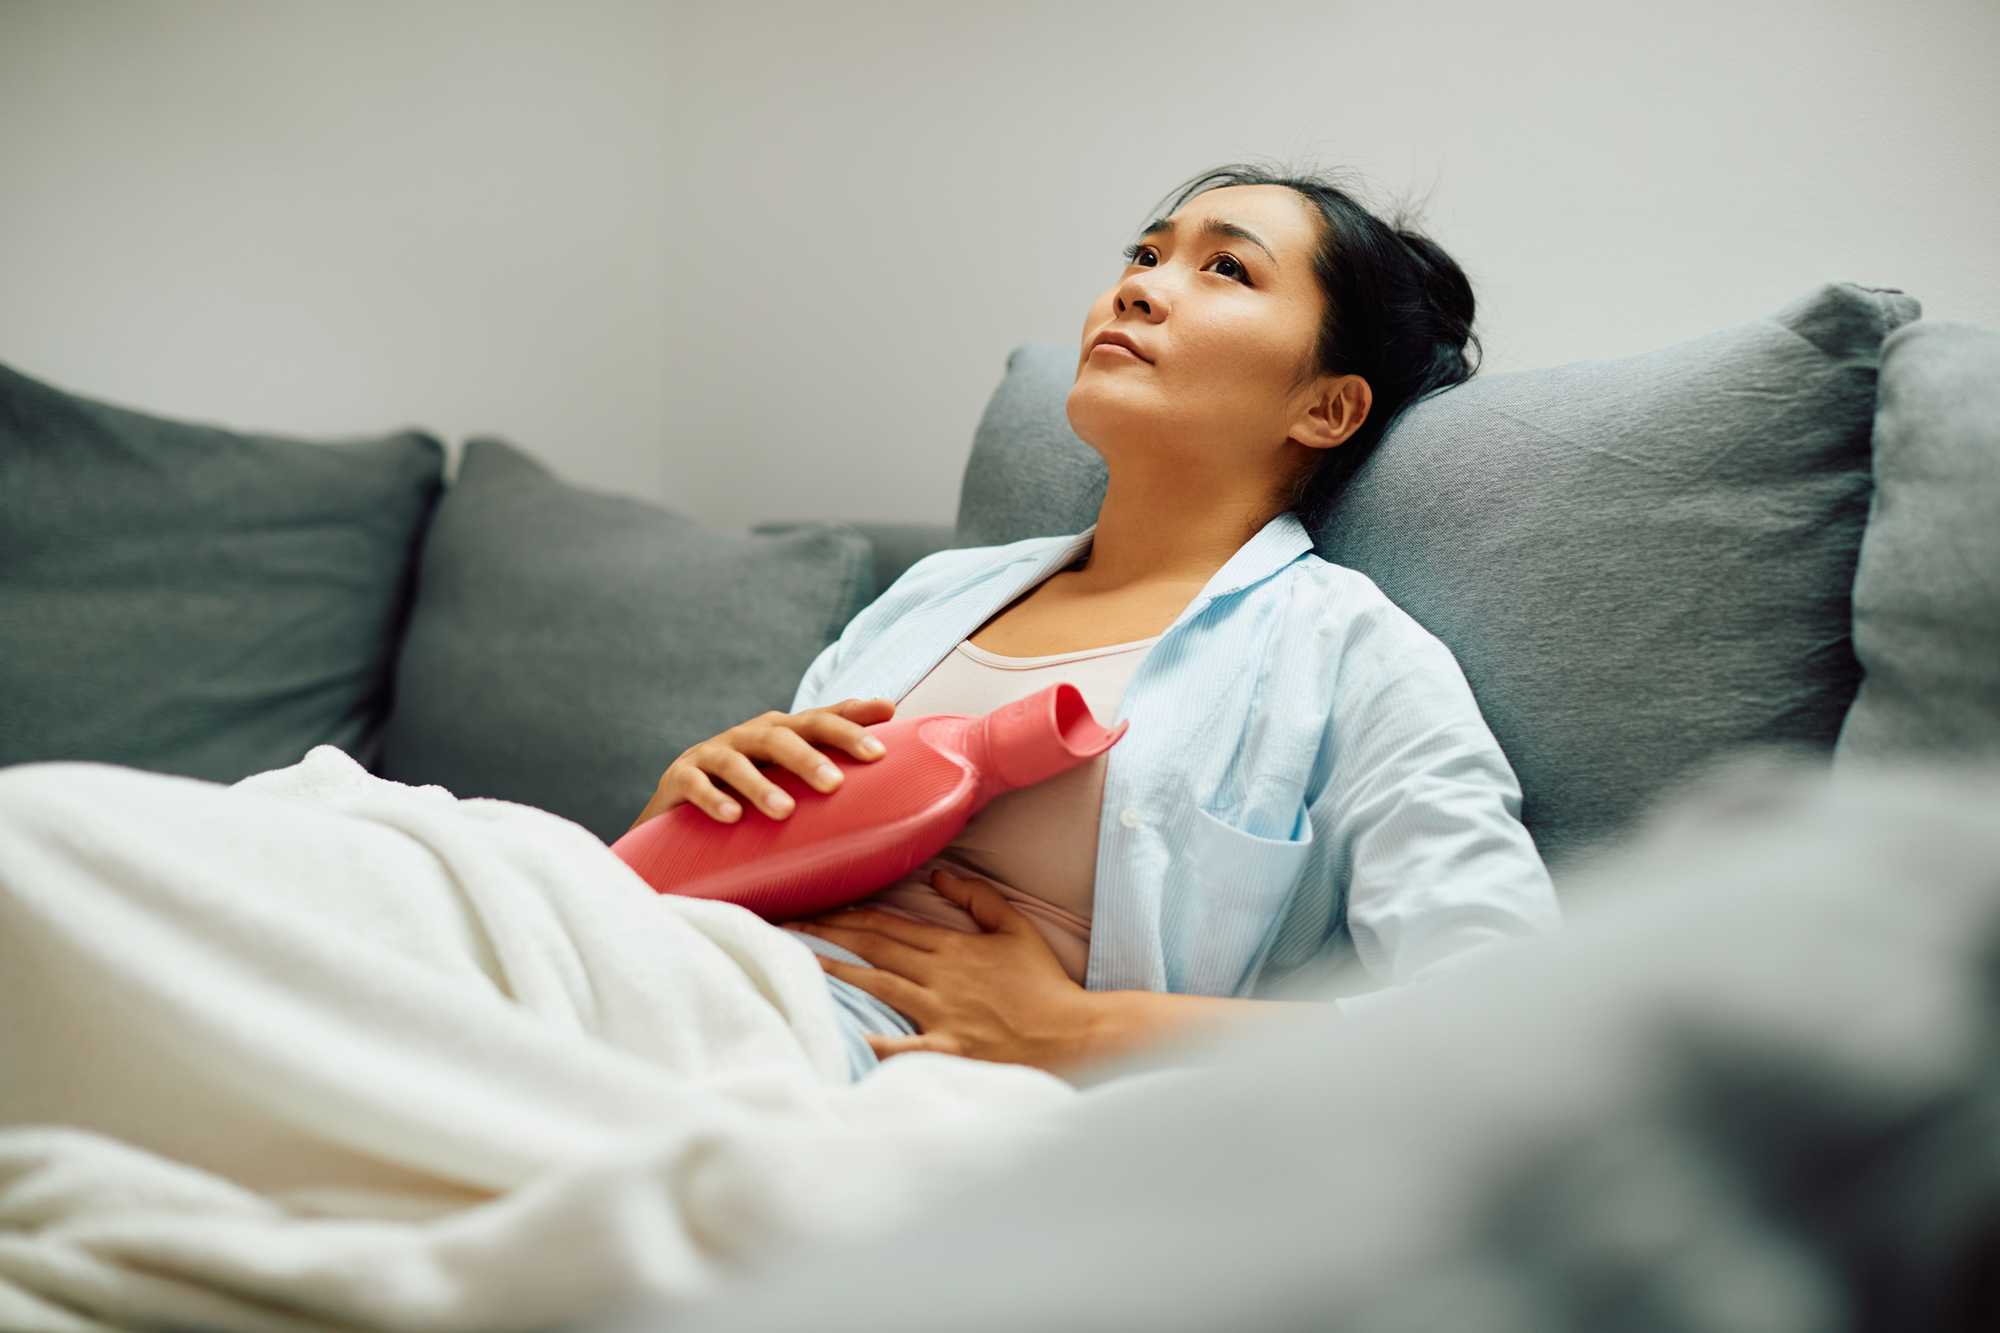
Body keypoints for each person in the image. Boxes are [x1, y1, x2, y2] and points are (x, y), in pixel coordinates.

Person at [626, 161, 1564, 1086]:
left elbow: (1505, 1010)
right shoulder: (931, 597)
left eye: (1226, 268)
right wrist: (681, 815)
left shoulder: (1354, 657)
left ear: (1326, 406)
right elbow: (740, 870)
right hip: (699, 975)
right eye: (1145, 255)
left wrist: (1081, 1029)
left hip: (876, 1083)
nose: (1142, 288)